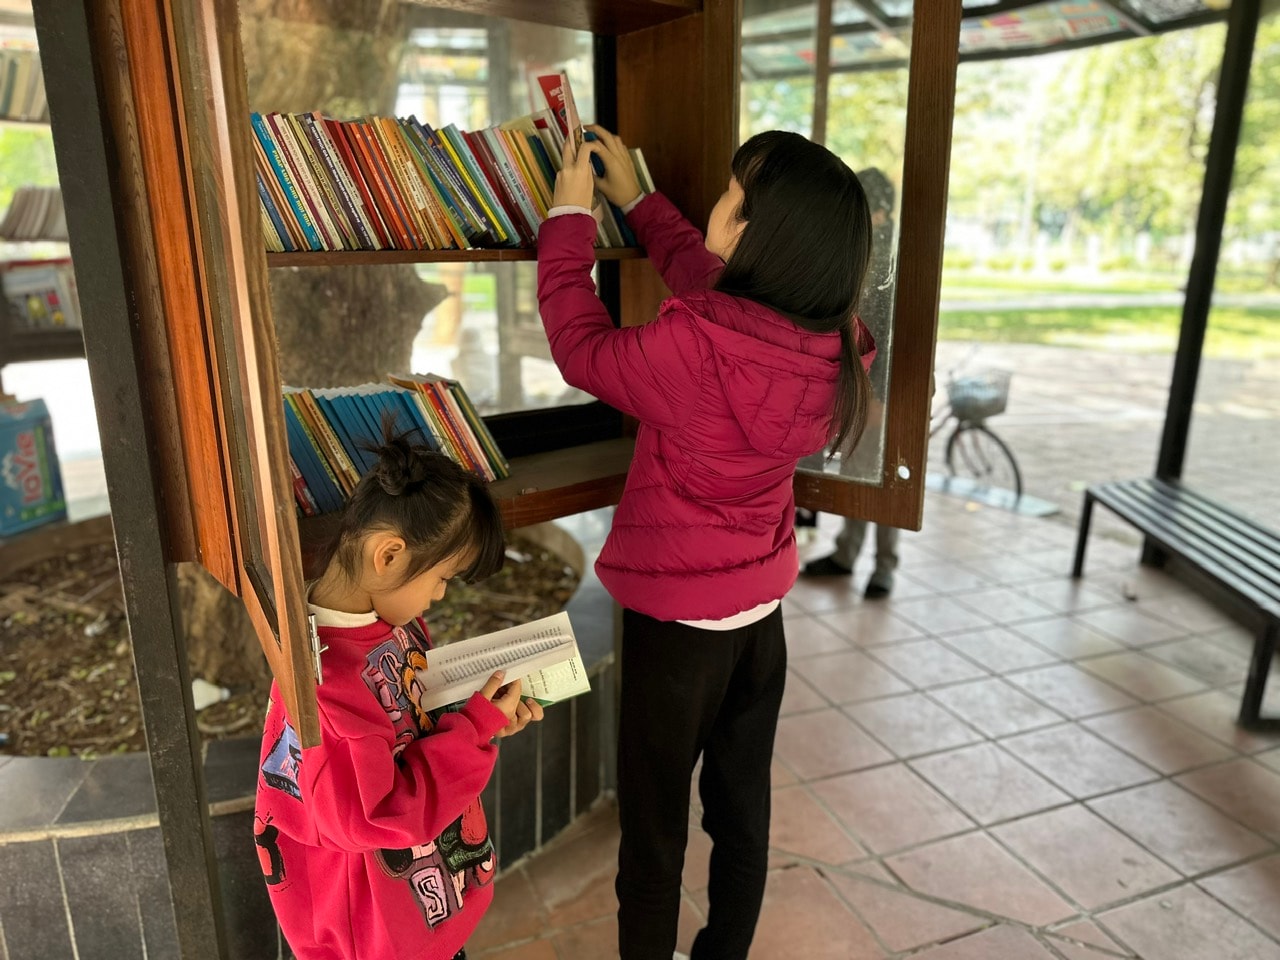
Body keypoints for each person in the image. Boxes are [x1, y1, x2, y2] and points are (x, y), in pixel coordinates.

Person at [537, 126, 875, 960]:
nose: (717, 204)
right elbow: (719, 289)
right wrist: (642, 203)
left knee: (654, 835)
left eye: (731, 195)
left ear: (760, 235)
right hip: (761, 620)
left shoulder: (693, 348)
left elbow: (582, 350)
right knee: (740, 810)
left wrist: (570, 221)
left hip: (676, 633)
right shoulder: (837, 347)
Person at [254, 423, 544, 960]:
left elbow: (412, 720)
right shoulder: (324, 691)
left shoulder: (388, 622)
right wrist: (473, 730)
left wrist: (479, 718)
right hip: (378, 940)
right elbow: (380, 812)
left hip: (418, 910)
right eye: (443, 578)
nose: (440, 595)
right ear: (388, 555)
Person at [801, 167, 900, 598]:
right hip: (866, 386)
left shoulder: (892, 257)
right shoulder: (865, 250)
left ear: (878, 211)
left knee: (885, 477)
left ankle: (883, 566)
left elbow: (890, 332)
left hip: (887, 389)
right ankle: (847, 553)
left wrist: (879, 396)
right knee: (860, 470)